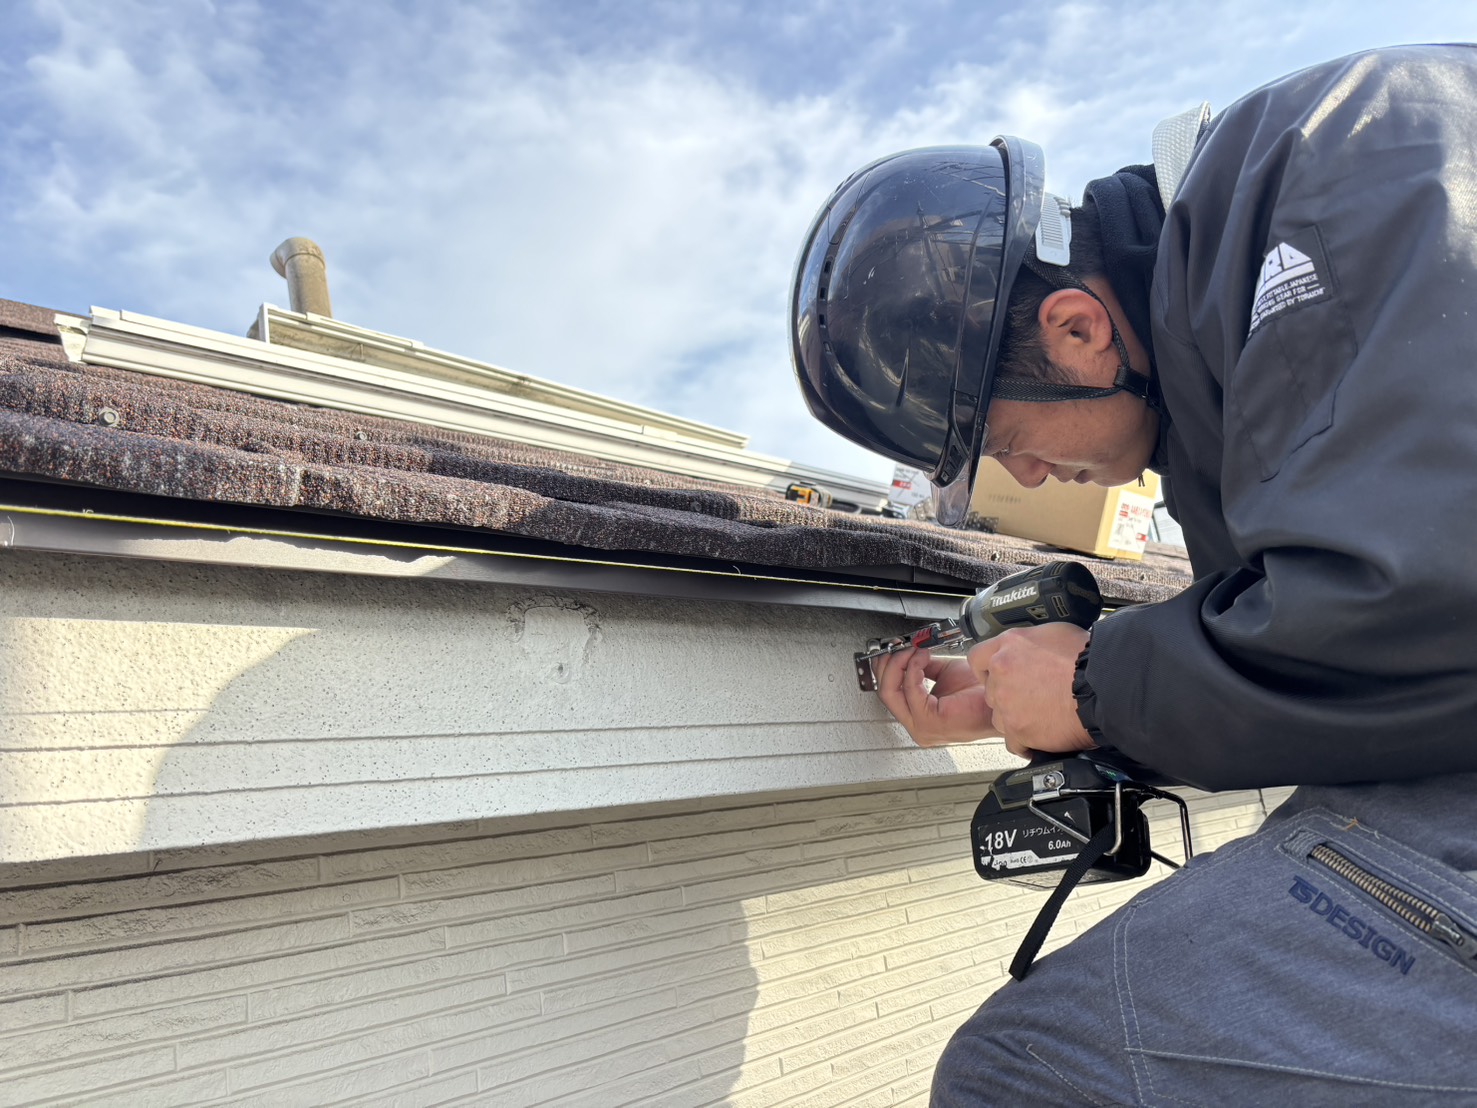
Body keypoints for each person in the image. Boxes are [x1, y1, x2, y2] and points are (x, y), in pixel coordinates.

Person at [791, 45, 1477, 1104]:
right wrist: (1077, 703)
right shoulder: (1231, 323)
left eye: (1009, 440)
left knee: (1028, 1069)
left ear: (1076, 329)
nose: (1026, 477)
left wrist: (1091, 685)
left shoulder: (1340, 182)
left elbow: (1421, 608)